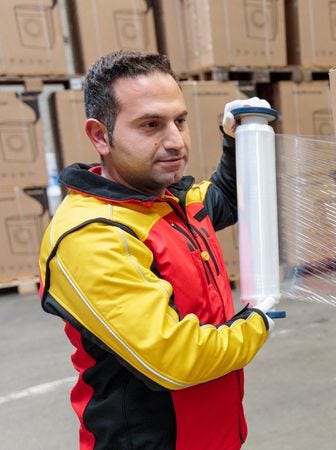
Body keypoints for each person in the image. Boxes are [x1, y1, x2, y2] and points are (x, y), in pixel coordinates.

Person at [38, 50, 276, 449]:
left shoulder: (170, 200)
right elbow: (174, 358)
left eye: (179, 121)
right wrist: (260, 320)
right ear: (100, 136)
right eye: (150, 125)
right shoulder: (91, 234)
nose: (175, 142)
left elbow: (227, 199)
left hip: (215, 436)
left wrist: (240, 141)